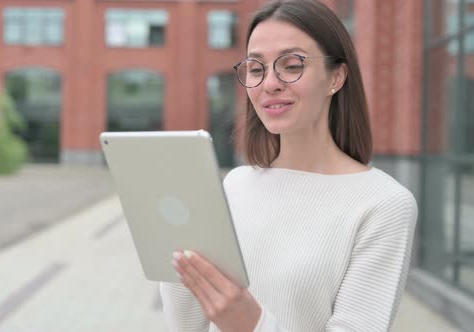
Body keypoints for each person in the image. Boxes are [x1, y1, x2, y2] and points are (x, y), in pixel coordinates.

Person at [160, 0, 418, 331]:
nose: (270, 84)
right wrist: (177, 257)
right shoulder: (233, 185)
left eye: (292, 65)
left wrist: (250, 324)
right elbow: (187, 326)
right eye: (256, 68)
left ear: (335, 77)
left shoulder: (383, 205)